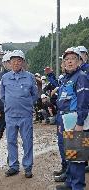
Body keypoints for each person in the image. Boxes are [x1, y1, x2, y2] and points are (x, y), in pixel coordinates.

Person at [0, 50, 38, 178]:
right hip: (10, 115)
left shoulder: (29, 77)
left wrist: (26, 105)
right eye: (13, 60)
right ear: (9, 63)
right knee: (11, 141)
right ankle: (13, 166)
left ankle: (28, 167)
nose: (16, 63)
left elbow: (35, 95)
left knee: (27, 141)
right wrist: (11, 105)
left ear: (23, 62)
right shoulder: (5, 78)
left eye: (19, 60)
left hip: (25, 115)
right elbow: (2, 96)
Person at [56, 47, 89, 190]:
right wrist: (59, 122)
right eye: (66, 60)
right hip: (65, 120)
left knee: (77, 157)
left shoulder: (81, 76)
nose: (69, 62)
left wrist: (80, 122)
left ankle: (77, 186)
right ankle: (70, 183)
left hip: (76, 121)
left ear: (79, 62)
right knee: (68, 154)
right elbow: (62, 102)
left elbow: (83, 101)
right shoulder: (65, 79)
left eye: (73, 59)